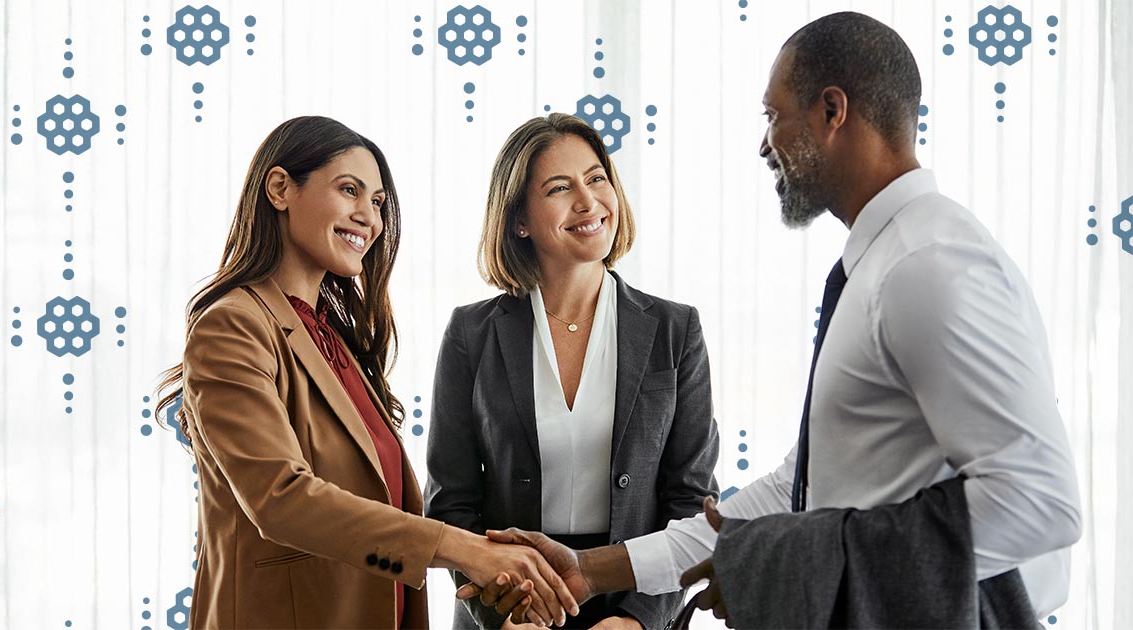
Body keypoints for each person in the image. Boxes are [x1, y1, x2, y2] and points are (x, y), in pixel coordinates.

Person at [459, 11, 1081, 624]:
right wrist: (592, 569)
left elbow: (1040, 504)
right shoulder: (879, 266)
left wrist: (794, 567)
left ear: (832, 112)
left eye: (773, 116)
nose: (764, 144)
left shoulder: (927, 266)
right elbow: (800, 488)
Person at [155, 116, 577, 630]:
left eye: (377, 202)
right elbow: (280, 499)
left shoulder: (334, 339)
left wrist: (491, 569)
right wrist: (464, 548)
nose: (369, 218)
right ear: (281, 188)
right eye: (349, 190)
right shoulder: (232, 326)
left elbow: (377, 504)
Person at [424, 113, 719, 630]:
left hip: (634, 597)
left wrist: (638, 620)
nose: (587, 202)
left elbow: (691, 500)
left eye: (597, 178)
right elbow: (452, 502)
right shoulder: (471, 334)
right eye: (560, 188)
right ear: (519, 220)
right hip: (509, 604)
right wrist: (500, 612)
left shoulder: (676, 330)